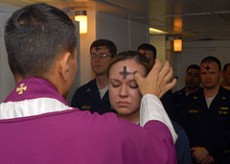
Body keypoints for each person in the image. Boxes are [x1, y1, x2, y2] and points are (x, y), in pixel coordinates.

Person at [0, 3, 178, 163]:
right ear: (65, 64)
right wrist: (150, 96)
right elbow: (161, 150)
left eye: (132, 85)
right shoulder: (102, 133)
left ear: (11, 62)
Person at [114, 51, 191, 164]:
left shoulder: (172, 132)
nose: (123, 93)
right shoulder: (99, 129)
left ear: (150, 87)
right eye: (115, 84)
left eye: (134, 85)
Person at [181, 56, 230, 163]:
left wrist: (209, 151)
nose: (207, 77)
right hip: (194, 157)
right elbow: (183, 129)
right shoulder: (189, 100)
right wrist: (195, 152)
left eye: (211, 73)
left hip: (222, 158)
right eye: (204, 73)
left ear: (220, 75)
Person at [71, 39, 116, 114]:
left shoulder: (120, 92)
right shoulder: (82, 93)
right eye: (93, 55)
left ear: (113, 59)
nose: (97, 60)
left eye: (103, 55)